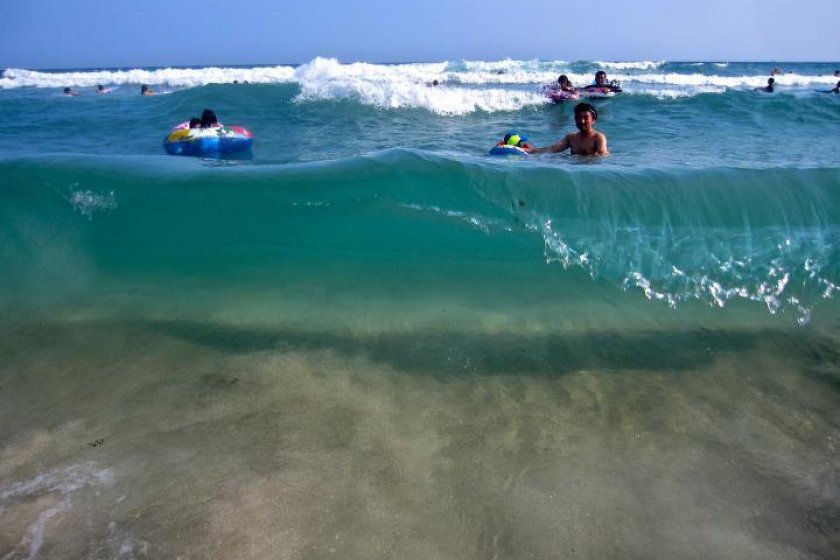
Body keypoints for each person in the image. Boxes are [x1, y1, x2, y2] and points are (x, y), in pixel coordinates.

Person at [525, 102, 608, 156]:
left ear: (593, 120)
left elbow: (602, 157)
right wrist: (533, 151)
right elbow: (553, 149)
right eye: (578, 118)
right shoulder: (571, 137)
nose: (582, 121)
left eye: (586, 118)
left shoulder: (598, 137)